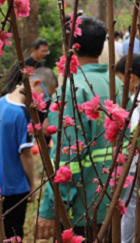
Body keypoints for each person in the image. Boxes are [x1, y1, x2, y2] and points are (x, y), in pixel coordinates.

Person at [36, 16, 120, 238]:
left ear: (69, 47)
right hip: (113, 202)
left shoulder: (72, 90)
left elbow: (66, 159)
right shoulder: (118, 85)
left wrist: (49, 208)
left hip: (79, 210)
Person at [0, 66, 57, 242]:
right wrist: (32, 187)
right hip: (13, 187)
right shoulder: (21, 112)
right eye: (46, 95)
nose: (45, 101)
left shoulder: (0, 102)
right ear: (36, 83)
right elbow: (25, 154)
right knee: (13, 234)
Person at [115, 54, 140, 243]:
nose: (120, 85)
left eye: (121, 79)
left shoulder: (135, 102)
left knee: (131, 204)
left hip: (134, 164)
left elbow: (131, 133)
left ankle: (128, 240)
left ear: (130, 77)